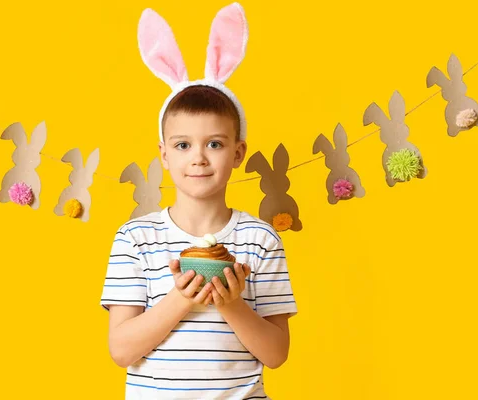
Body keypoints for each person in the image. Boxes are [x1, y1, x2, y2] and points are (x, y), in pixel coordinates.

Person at [100, 3, 297, 398]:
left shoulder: (260, 240)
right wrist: (182, 298)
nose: (199, 157)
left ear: (238, 153)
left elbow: (276, 354)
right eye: (184, 144)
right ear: (164, 155)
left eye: (215, 143)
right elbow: (121, 350)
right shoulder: (136, 239)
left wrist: (230, 303)